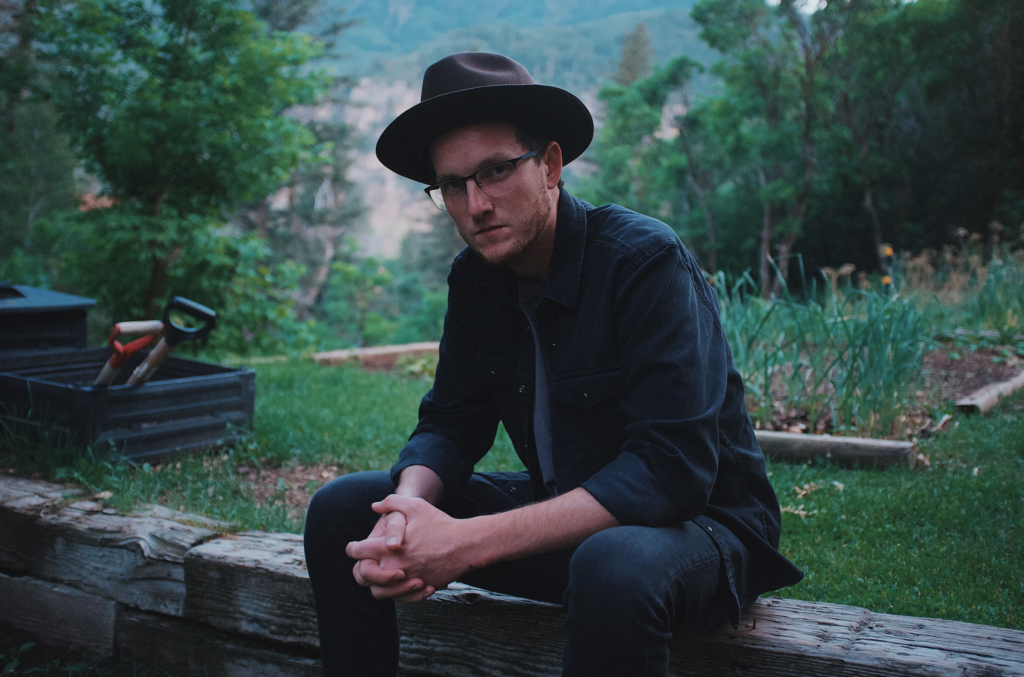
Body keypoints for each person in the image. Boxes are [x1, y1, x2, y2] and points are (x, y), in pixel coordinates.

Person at [303, 52, 803, 677]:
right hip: (569, 512)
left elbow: (669, 472)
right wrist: (406, 512)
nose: (475, 204)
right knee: (344, 510)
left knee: (612, 565)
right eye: (452, 186)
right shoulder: (476, 278)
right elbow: (451, 424)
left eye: (494, 172)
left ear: (551, 165)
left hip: (704, 531)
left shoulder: (643, 261)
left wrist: (464, 544)